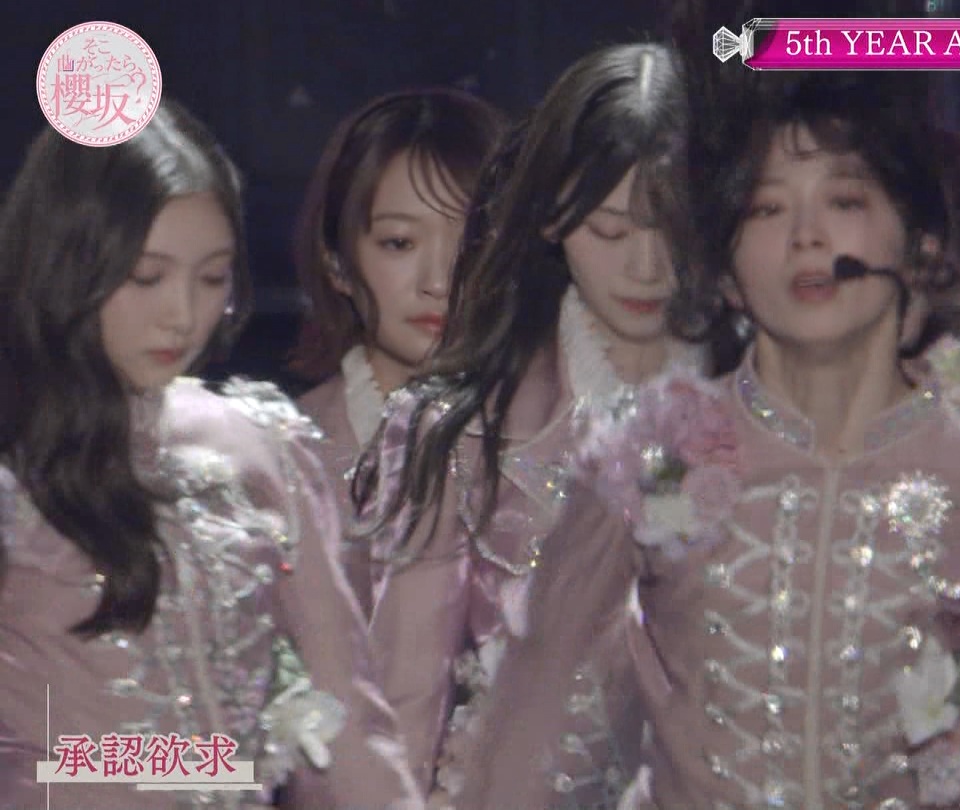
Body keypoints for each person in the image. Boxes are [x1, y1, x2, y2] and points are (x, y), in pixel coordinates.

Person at [457, 67, 960, 809]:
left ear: (919, 246)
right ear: (725, 270)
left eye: (844, 201)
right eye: (766, 208)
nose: (806, 236)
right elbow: (529, 739)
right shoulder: (654, 456)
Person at [0, 101, 421, 808]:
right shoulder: (16, 469)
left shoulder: (261, 447)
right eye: (147, 277)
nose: (183, 315)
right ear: (67, 265)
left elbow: (347, 710)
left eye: (213, 277)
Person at [356, 42, 705, 807]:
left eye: (674, 228)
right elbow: (404, 710)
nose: (647, 266)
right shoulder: (459, 432)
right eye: (609, 230)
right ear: (551, 217)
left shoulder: (771, 407)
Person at [290, 88, 506, 615]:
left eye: (473, 245)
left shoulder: (564, 440)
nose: (439, 282)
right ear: (337, 262)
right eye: (400, 243)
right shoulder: (289, 457)